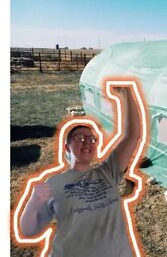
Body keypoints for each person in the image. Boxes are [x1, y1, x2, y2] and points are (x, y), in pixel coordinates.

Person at [20, 87, 140, 257]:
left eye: (92, 139)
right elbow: (28, 231)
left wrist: (127, 92)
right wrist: (34, 202)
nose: (87, 142)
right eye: (80, 138)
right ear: (66, 146)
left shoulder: (108, 172)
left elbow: (133, 135)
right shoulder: (54, 183)